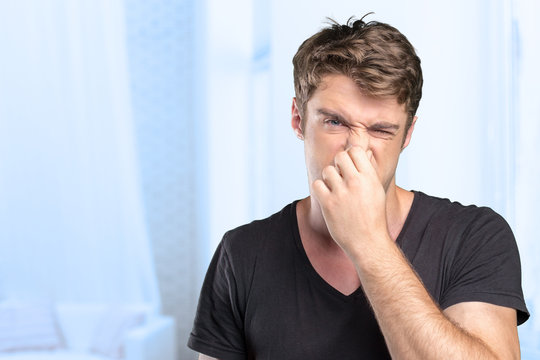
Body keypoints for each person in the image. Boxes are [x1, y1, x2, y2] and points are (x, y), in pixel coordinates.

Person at [188, 15, 529, 359]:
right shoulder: (243, 253)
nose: (356, 150)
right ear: (298, 119)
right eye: (335, 122)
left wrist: (369, 243)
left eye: (381, 130)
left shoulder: (475, 237)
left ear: (407, 134)